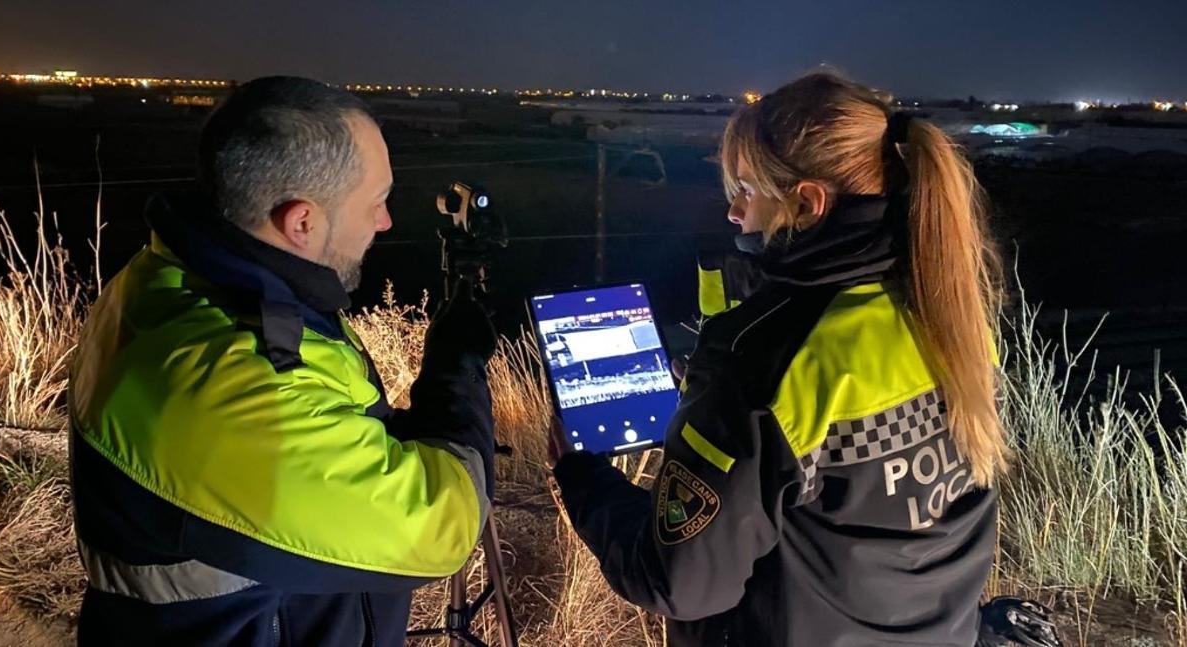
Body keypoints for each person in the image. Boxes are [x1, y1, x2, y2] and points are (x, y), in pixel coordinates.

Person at [549, 73, 1059, 646]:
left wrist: (582, 477)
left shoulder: (763, 362)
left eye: (746, 190)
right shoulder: (951, 318)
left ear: (808, 202)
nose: (734, 213)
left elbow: (679, 583)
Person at [68, 76, 497, 646]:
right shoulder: (234, 389)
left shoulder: (180, 282)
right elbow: (441, 527)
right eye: (376, 202)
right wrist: (456, 374)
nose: (385, 222)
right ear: (302, 223)